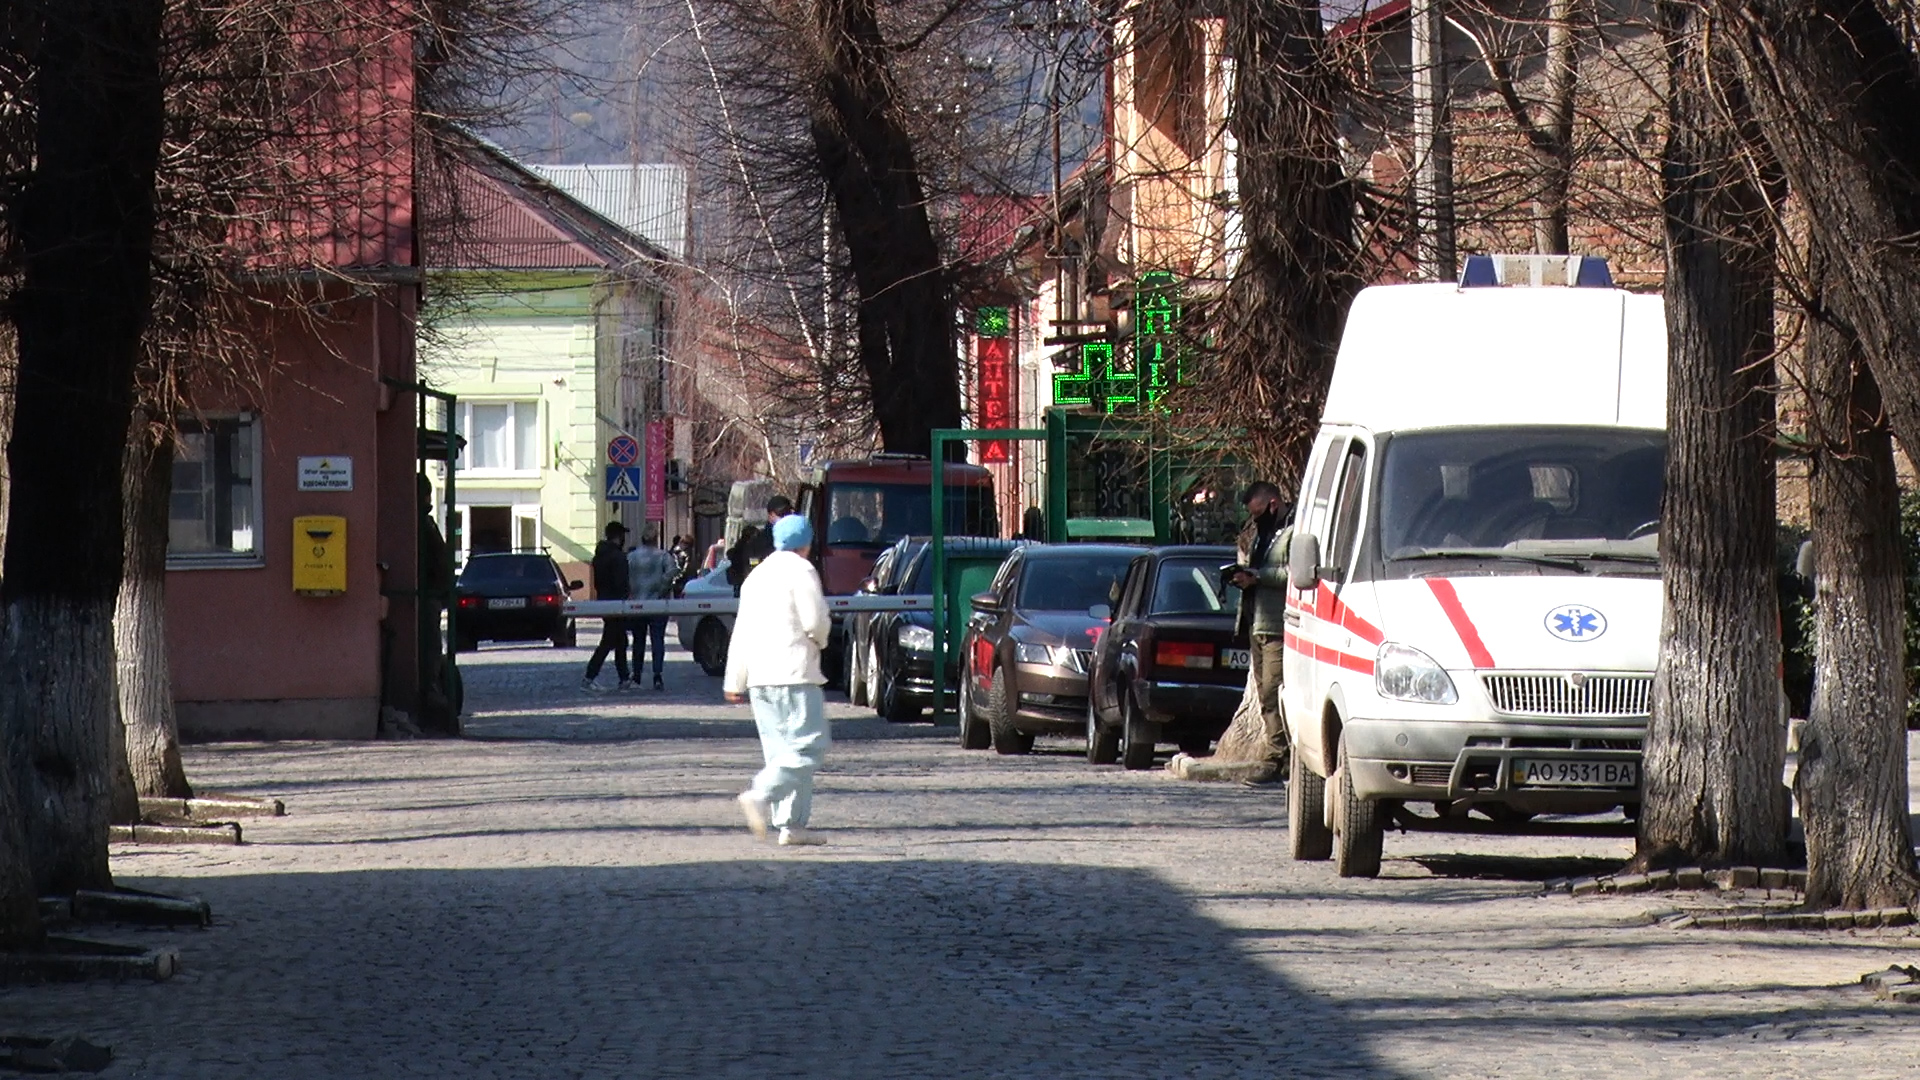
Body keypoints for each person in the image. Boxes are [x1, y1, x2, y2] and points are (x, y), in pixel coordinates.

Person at [725, 513, 832, 847]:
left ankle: (792, 826)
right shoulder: (802, 571)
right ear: (806, 543)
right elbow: (815, 620)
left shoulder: (756, 577)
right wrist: (821, 640)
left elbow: (741, 630)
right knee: (808, 745)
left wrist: (735, 678)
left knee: (780, 752)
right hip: (794, 671)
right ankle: (761, 795)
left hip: (760, 676)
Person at [1229, 481, 1292, 763]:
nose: (1255, 519)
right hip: (1256, 622)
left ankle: (1279, 753)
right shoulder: (1261, 535)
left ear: (1273, 504)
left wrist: (1260, 577)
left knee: (1272, 690)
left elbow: (1296, 573)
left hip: (1277, 626)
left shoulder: (1292, 532)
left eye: (1258, 512)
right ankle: (1274, 748)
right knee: (1264, 691)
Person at [582, 521, 632, 692]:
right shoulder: (617, 557)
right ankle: (589, 677)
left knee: (620, 641)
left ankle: (624, 678)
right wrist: (625, 595)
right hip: (617, 603)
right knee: (609, 641)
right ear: (619, 537)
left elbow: (597, 582)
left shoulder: (599, 556)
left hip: (605, 601)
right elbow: (621, 582)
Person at [627, 528, 679, 690]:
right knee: (658, 640)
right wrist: (662, 588)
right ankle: (657, 675)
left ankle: (636, 675)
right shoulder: (663, 555)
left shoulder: (632, 556)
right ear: (656, 539)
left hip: (637, 604)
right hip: (657, 604)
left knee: (638, 641)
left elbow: (625, 576)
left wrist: (631, 591)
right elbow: (672, 572)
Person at [726, 493, 794, 592]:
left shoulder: (796, 539)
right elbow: (750, 572)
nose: (785, 518)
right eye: (781, 514)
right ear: (770, 516)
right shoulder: (758, 542)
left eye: (787, 514)